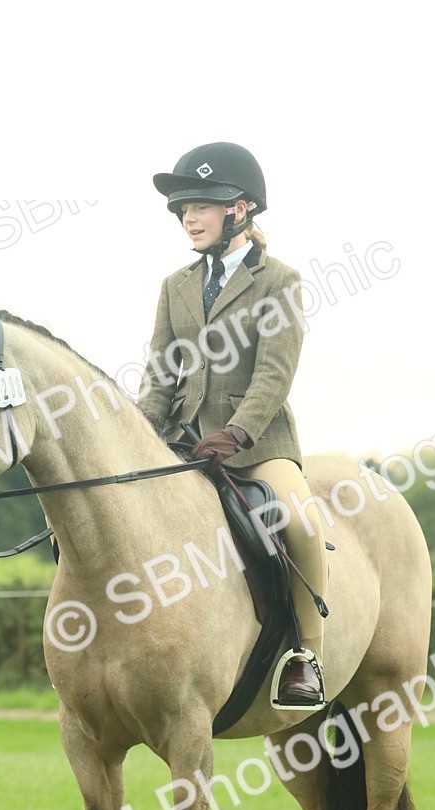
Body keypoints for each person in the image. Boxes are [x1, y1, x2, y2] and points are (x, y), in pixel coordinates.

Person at [139, 141, 328, 709]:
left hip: (256, 445)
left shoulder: (279, 282)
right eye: (183, 207)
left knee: (299, 522)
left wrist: (238, 433)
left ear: (239, 210)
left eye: (200, 205)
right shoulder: (176, 286)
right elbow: (158, 374)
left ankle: (305, 655)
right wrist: (142, 436)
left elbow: (275, 374)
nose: (188, 217)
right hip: (184, 444)